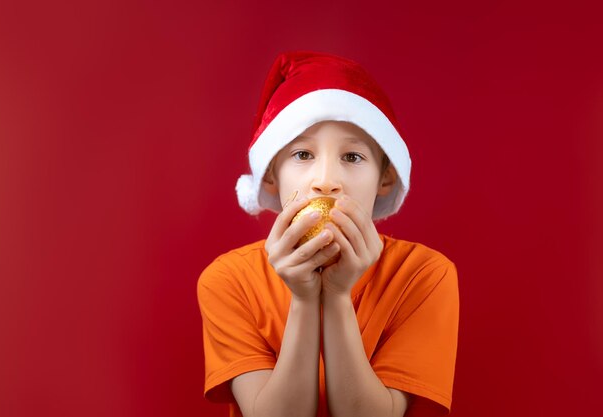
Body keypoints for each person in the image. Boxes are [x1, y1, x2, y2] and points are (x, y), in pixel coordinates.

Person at [197, 51, 459, 417]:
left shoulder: (424, 275)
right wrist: (304, 300)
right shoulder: (229, 280)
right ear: (272, 175)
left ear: (385, 178)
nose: (326, 182)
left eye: (352, 157)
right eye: (303, 154)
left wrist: (336, 296)